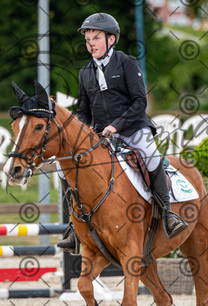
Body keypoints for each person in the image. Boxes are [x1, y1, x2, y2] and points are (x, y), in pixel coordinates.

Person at [57, 13, 187, 253]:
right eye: (87, 40)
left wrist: (116, 126)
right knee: (69, 168)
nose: (91, 44)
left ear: (111, 39)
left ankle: (168, 215)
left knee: (151, 156)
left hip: (133, 128)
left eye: (96, 38)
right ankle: (75, 228)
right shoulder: (85, 72)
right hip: (101, 135)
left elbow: (139, 102)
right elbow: (83, 110)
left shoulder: (127, 62)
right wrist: (80, 134)